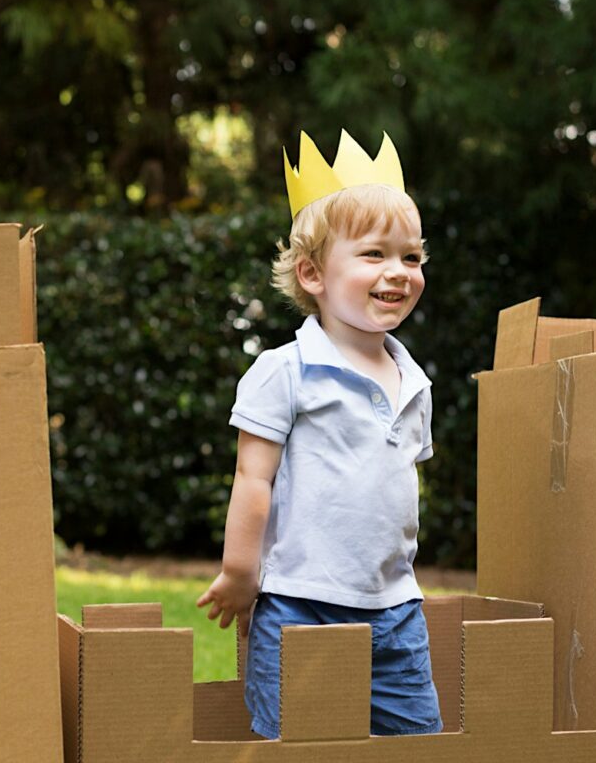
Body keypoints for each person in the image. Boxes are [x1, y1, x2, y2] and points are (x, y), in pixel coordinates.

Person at [196, 130, 441, 739]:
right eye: (373, 255)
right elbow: (254, 478)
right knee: (299, 742)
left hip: (395, 611)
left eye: (410, 257)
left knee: (418, 743)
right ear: (311, 273)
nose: (398, 272)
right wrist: (239, 571)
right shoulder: (287, 371)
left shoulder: (414, 381)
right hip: (300, 605)